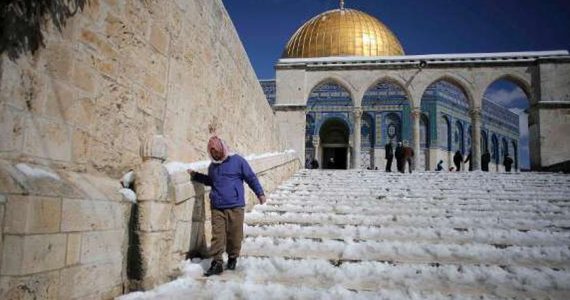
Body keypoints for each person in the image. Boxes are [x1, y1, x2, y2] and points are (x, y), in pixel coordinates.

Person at [188, 136, 266, 276]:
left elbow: (251, 177)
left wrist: (260, 193)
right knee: (217, 236)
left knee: (235, 236)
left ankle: (232, 257)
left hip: (235, 206)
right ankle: (217, 262)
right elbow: (211, 181)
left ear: (222, 148)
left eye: (216, 151)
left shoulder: (238, 161)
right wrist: (196, 176)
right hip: (217, 206)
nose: (215, 154)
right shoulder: (212, 166)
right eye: (212, 152)